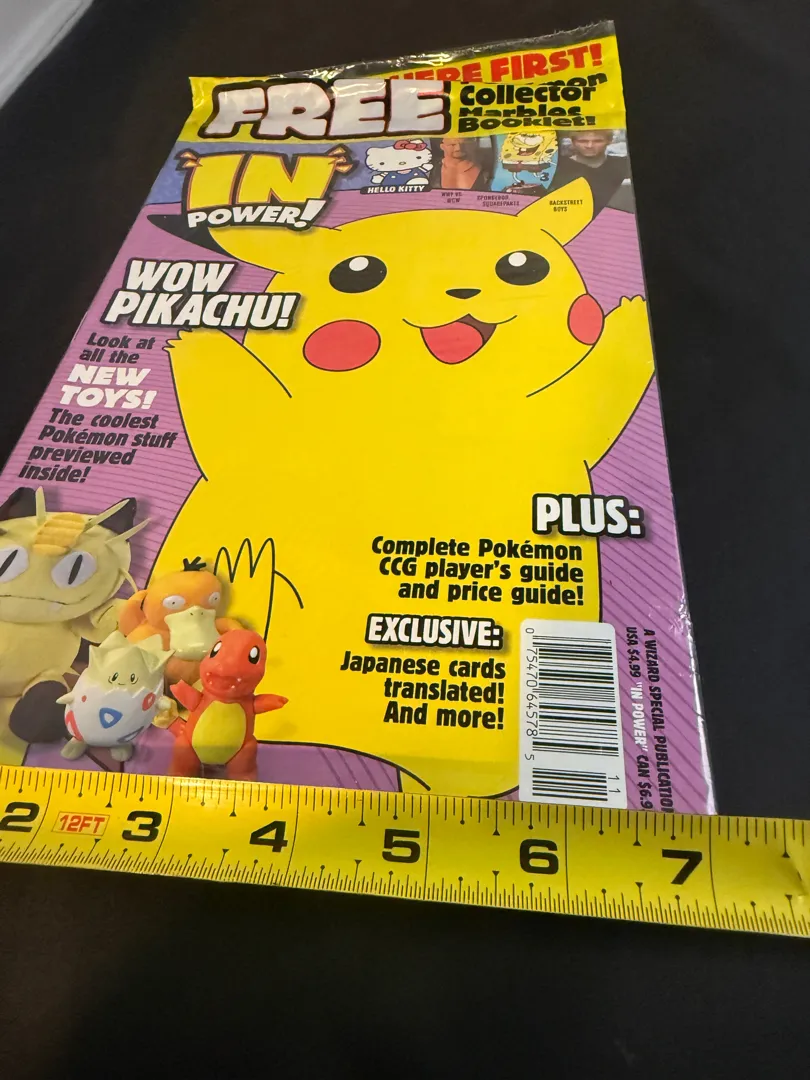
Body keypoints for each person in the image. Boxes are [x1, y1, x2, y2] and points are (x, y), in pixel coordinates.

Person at [549, 130, 630, 213]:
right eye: (583, 141)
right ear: (573, 142)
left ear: (609, 141)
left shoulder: (625, 165)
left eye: (598, 141)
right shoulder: (558, 169)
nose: (589, 146)